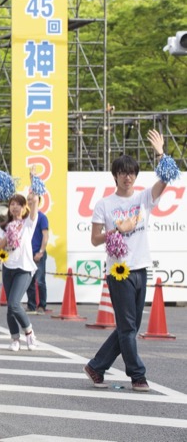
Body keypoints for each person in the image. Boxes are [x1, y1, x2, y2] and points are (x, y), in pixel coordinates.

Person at [84, 130, 168, 393]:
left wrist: (161, 153)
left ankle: (97, 366)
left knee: (128, 327)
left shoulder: (143, 198)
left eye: (131, 172)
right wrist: (119, 229)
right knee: (128, 327)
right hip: (118, 272)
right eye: (122, 172)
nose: (127, 177)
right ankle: (137, 375)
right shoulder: (104, 204)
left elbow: (165, 180)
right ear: (115, 176)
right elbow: (95, 239)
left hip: (141, 267)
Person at [0, 188, 40, 352]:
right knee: (10, 306)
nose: (15, 207)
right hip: (8, 267)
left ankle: (29, 332)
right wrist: (9, 234)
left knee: (14, 303)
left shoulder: (28, 223)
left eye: (19, 204)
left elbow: (35, 201)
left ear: (24, 207)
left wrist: (34, 181)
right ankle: (15, 339)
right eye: (12, 204)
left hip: (24, 268)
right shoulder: (4, 226)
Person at [25, 193, 49, 314]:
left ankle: (42, 306)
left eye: (32, 199)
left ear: (38, 201)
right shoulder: (26, 218)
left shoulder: (42, 217)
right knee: (29, 281)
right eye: (28, 199)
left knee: (40, 280)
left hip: (38, 253)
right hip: (28, 254)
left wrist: (41, 252)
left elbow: (45, 235)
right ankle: (31, 305)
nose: (29, 202)